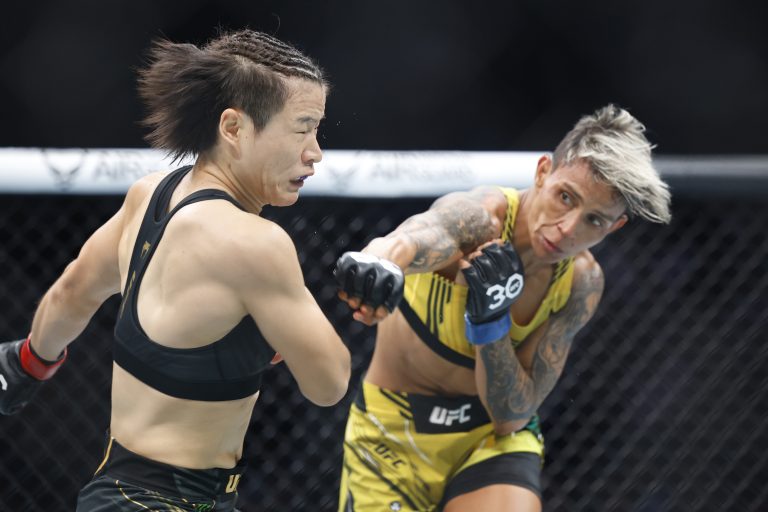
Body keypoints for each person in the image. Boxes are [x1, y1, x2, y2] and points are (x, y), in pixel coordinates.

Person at [0, 29, 351, 512]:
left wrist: (30, 362)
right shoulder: (256, 244)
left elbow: (73, 292)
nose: (315, 152)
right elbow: (329, 384)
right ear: (234, 128)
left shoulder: (150, 195)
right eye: (303, 126)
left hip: (117, 490)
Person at [334, 105, 671, 512]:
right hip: (391, 433)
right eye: (566, 197)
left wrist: (490, 321)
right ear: (543, 172)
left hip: (488, 438)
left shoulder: (581, 282)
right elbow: (421, 234)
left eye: (595, 221)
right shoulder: (482, 219)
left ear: (615, 227)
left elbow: (511, 415)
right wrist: (382, 261)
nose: (568, 229)